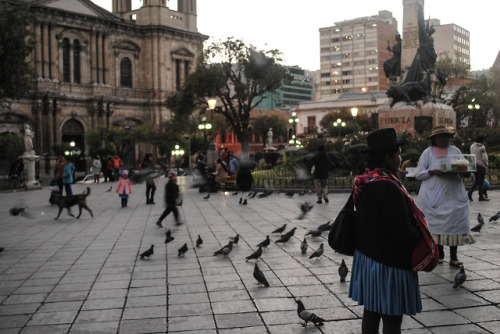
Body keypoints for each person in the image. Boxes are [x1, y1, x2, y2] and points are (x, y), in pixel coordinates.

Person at [349, 128, 423, 334]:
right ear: (389, 158)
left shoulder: (366, 181)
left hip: (368, 260)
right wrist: (421, 234)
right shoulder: (388, 187)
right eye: (398, 154)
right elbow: (403, 234)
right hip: (389, 264)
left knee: (371, 313)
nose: (400, 158)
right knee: (392, 318)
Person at [415, 125, 475, 267]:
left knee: (455, 223)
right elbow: (418, 173)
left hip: (454, 193)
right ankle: (439, 254)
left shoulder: (455, 151)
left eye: (445, 136)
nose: (443, 139)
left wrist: (466, 172)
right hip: (434, 195)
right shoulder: (428, 153)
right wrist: (431, 171)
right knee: (436, 225)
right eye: (439, 137)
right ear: (434, 139)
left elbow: (464, 168)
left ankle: (453, 256)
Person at [468, 135, 489, 201]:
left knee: (476, 181)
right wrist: (486, 164)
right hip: (481, 166)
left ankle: (470, 192)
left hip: (474, 165)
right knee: (480, 182)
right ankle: (481, 196)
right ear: (481, 140)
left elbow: (471, 155)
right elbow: (484, 157)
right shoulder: (482, 147)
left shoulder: (472, 146)